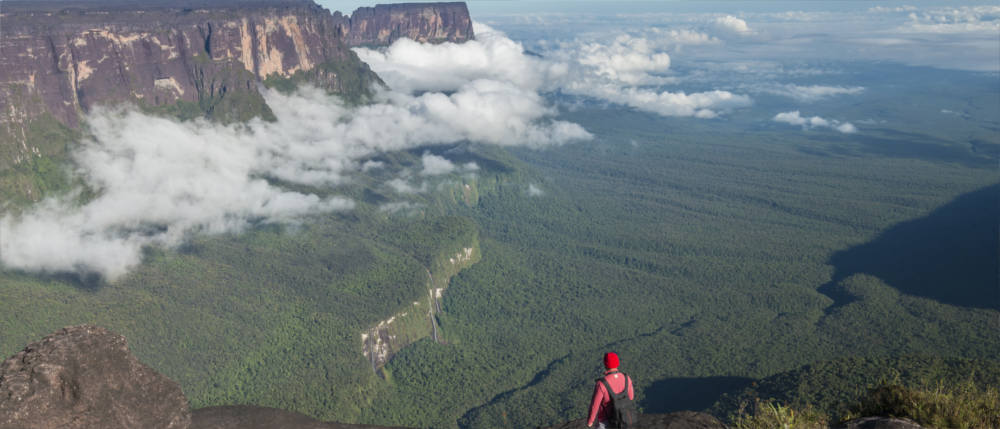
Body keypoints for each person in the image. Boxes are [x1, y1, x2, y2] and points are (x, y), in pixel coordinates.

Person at [586, 352, 635, 428]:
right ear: (617, 363)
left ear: (605, 364)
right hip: (624, 419)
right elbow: (631, 397)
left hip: (606, 422)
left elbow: (594, 406)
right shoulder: (626, 378)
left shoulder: (601, 384)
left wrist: (590, 422)